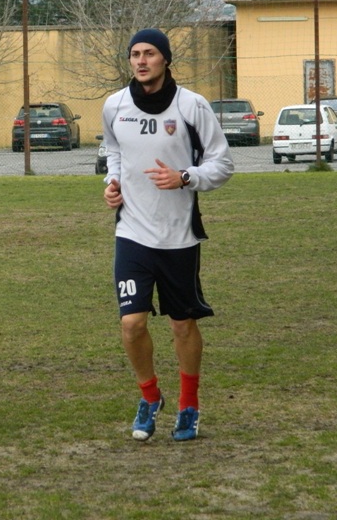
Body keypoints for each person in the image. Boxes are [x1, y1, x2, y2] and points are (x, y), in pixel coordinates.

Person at [101, 29, 234, 442]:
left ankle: (189, 405)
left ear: (166, 59)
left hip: (178, 237)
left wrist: (184, 177)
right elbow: (114, 150)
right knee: (131, 324)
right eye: (135, 54)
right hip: (132, 232)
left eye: (150, 54)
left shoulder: (192, 106)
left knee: (182, 326)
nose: (141, 61)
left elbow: (223, 164)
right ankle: (150, 397)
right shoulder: (114, 105)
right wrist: (112, 180)